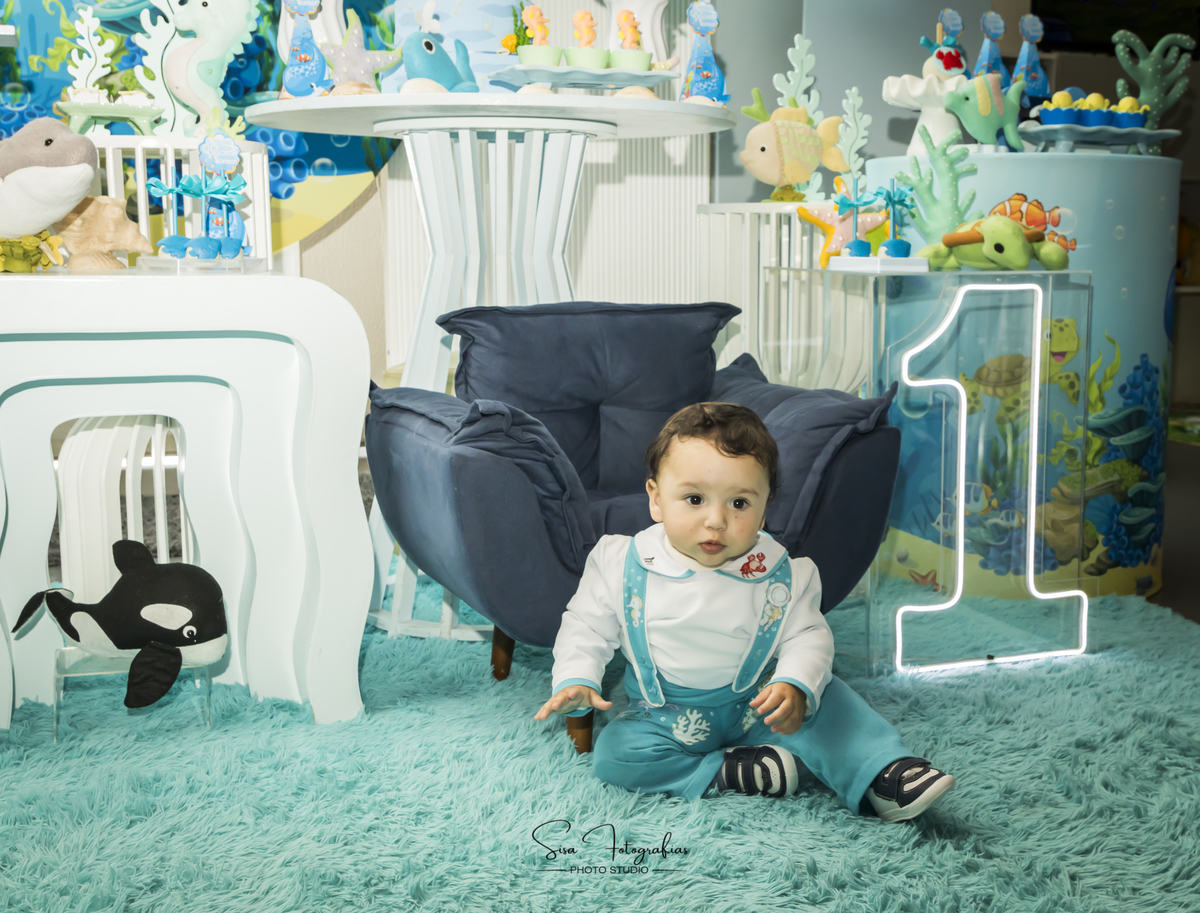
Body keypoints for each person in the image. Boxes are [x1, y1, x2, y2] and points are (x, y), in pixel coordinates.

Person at [534, 403, 955, 821]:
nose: (716, 520)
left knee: (829, 700)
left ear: (765, 508)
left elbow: (808, 636)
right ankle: (727, 772)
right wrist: (576, 677)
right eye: (694, 499)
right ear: (656, 499)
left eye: (739, 503)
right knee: (617, 755)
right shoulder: (621, 563)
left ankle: (882, 770)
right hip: (666, 717)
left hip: (760, 704)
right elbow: (586, 626)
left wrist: (794, 682)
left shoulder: (781, 573)